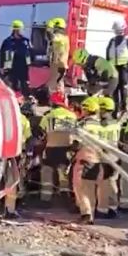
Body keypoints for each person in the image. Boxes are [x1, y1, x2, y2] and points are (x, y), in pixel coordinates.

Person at [70, 96, 106, 224]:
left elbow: (77, 143)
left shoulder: (82, 125)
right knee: (91, 189)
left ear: (86, 110)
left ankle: (86, 214)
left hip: (83, 160)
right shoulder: (101, 126)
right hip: (97, 160)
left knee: (81, 188)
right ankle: (91, 214)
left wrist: (71, 153)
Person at [0, 91, 34, 219]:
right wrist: (29, 154)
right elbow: (29, 138)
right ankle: (10, 209)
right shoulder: (23, 119)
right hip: (15, 153)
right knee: (12, 182)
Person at [37, 91, 77, 203]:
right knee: (64, 172)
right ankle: (65, 196)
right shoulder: (72, 115)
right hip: (67, 148)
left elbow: (41, 132)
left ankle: (46, 198)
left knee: (47, 171)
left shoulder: (49, 116)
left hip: (51, 148)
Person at [97, 96, 121, 219]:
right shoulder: (117, 124)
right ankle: (113, 207)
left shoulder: (103, 125)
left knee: (103, 184)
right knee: (112, 182)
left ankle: (102, 209)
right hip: (115, 156)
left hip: (104, 156)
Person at [0, 20, 33, 95]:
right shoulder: (7, 41)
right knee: (13, 84)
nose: (22, 31)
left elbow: (32, 52)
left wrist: (32, 64)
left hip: (24, 67)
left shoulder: (26, 41)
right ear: (16, 30)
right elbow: (2, 54)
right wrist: (1, 67)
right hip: (12, 67)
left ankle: (26, 100)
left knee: (25, 85)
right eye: (20, 29)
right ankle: (15, 99)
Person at [106, 22, 128, 115]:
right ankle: (115, 108)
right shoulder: (112, 41)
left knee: (124, 88)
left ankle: (124, 108)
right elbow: (108, 54)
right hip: (114, 68)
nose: (118, 32)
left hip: (124, 68)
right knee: (115, 88)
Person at [46, 17, 70, 98]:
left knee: (55, 83)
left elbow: (51, 37)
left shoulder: (61, 37)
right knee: (59, 82)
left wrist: (49, 28)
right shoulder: (64, 37)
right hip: (60, 64)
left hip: (58, 64)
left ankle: (56, 99)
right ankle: (59, 98)